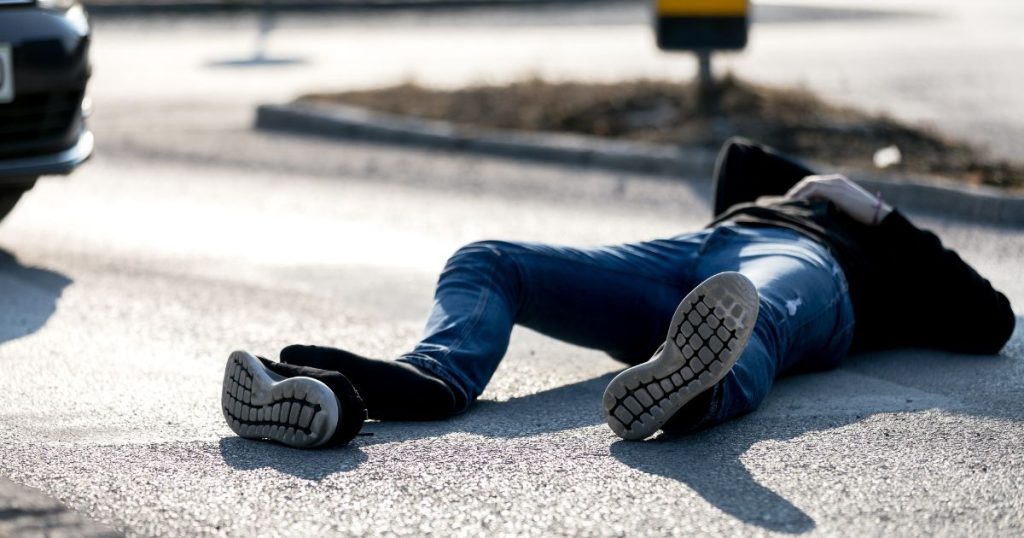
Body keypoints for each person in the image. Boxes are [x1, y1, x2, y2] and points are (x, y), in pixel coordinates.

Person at [221, 138, 1016, 448]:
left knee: (755, 313)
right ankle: (411, 382)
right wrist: (816, 184)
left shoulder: (881, 252)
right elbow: (742, 157)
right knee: (491, 258)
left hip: (801, 269)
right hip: (688, 258)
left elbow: (992, 319)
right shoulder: (760, 184)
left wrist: (871, 211)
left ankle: (693, 390)